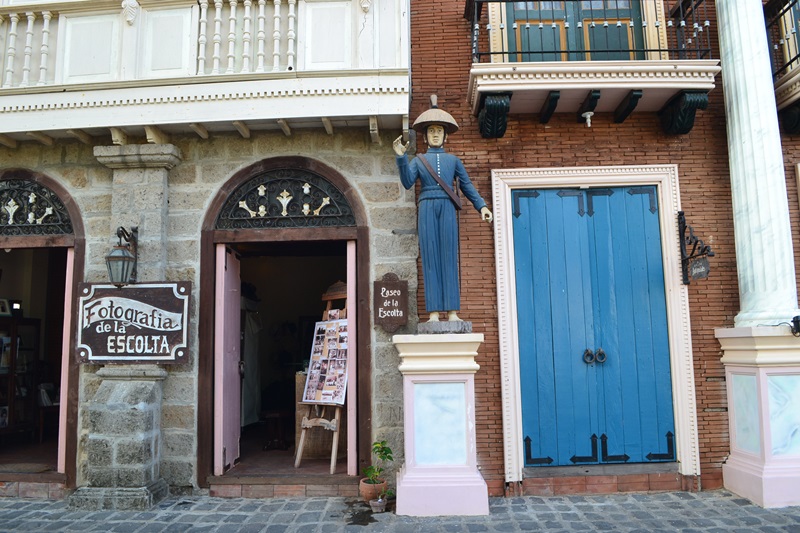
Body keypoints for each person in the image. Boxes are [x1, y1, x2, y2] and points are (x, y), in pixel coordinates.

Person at [393, 95, 492, 322]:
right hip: (427, 205)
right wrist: (401, 157)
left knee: (448, 257)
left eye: (439, 130)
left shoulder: (454, 160)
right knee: (430, 258)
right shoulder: (418, 160)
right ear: (426, 137)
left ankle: (453, 312)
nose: (435, 134)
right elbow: (408, 182)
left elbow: (466, 186)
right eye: (431, 131)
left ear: (445, 135)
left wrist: (482, 207)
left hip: (447, 207)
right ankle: (435, 313)